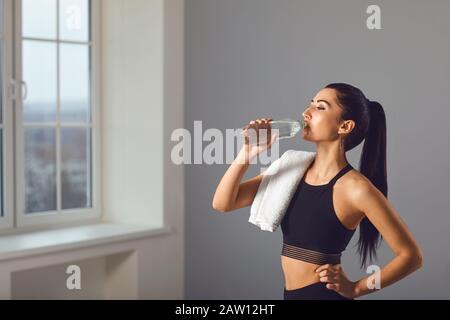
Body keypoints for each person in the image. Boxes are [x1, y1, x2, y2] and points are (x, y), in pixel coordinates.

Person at [212, 83, 423, 300]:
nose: (306, 112)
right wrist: (248, 152)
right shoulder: (292, 168)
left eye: (320, 107)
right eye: (310, 103)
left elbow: (412, 256)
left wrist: (357, 288)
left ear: (345, 126)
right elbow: (223, 203)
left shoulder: (356, 189)